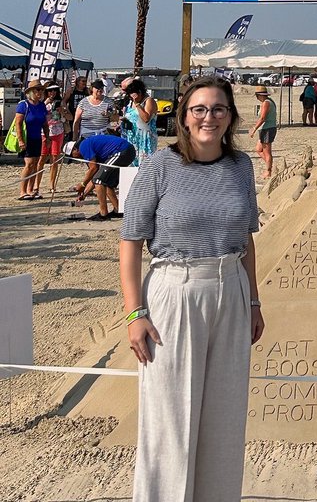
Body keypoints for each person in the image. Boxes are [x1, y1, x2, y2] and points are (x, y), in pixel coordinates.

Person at [119, 77, 264, 502]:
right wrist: (134, 314)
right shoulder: (159, 167)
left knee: (224, 418)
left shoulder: (241, 167)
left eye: (218, 109)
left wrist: (254, 300)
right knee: (171, 420)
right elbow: (129, 242)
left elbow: (247, 237)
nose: (209, 117)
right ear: (183, 116)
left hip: (231, 289)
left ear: (231, 117)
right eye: (198, 109)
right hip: (174, 292)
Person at [64, 131, 136, 219]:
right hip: (127, 151)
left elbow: (94, 170)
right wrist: (84, 195)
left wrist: (82, 184)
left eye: (73, 156)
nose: (75, 159)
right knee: (106, 183)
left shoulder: (83, 146)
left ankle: (103, 213)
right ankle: (118, 210)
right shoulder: (87, 148)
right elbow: (94, 175)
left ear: (75, 149)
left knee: (100, 181)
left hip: (122, 150)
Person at [15, 80, 49, 200]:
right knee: (28, 164)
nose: (40, 92)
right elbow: (18, 123)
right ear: (31, 92)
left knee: (35, 164)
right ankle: (22, 191)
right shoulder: (23, 105)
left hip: (37, 138)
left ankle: (31, 189)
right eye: (37, 90)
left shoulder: (41, 105)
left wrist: (47, 137)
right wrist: (20, 140)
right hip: (27, 138)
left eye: (41, 90)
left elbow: (45, 124)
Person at [36, 82, 66, 196]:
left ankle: (52, 185)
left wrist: (62, 111)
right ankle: (36, 185)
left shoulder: (61, 102)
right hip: (44, 132)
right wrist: (45, 103)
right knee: (42, 158)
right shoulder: (42, 103)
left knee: (54, 159)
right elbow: (38, 116)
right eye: (50, 90)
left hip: (58, 131)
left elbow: (68, 117)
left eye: (54, 90)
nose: (52, 93)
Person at [121, 79, 158, 166]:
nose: (131, 97)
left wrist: (138, 104)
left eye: (134, 94)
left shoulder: (149, 101)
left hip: (145, 138)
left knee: (145, 165)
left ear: (140, 92)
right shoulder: (130, 102)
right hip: (132, 137)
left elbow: (146, 119)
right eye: (129, 94)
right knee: (131, 163)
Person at [249, 85, 277, 178]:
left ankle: (268, 171)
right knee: (258, 149)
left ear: (259, 95)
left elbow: (262, 118)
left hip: (268, 129)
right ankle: (271, 166)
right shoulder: (269, 101)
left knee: (267, 151)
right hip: (267, 128)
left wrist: (254, 128)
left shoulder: (266, 103)